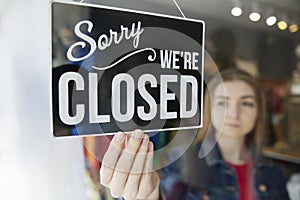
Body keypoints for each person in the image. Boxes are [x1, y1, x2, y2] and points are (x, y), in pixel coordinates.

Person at [99, 68, 290, 200]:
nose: (234, 113)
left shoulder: (274, 174)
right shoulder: (183, 161)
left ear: (259, 111)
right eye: (223, 102)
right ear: (209, 108)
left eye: (246, 103)